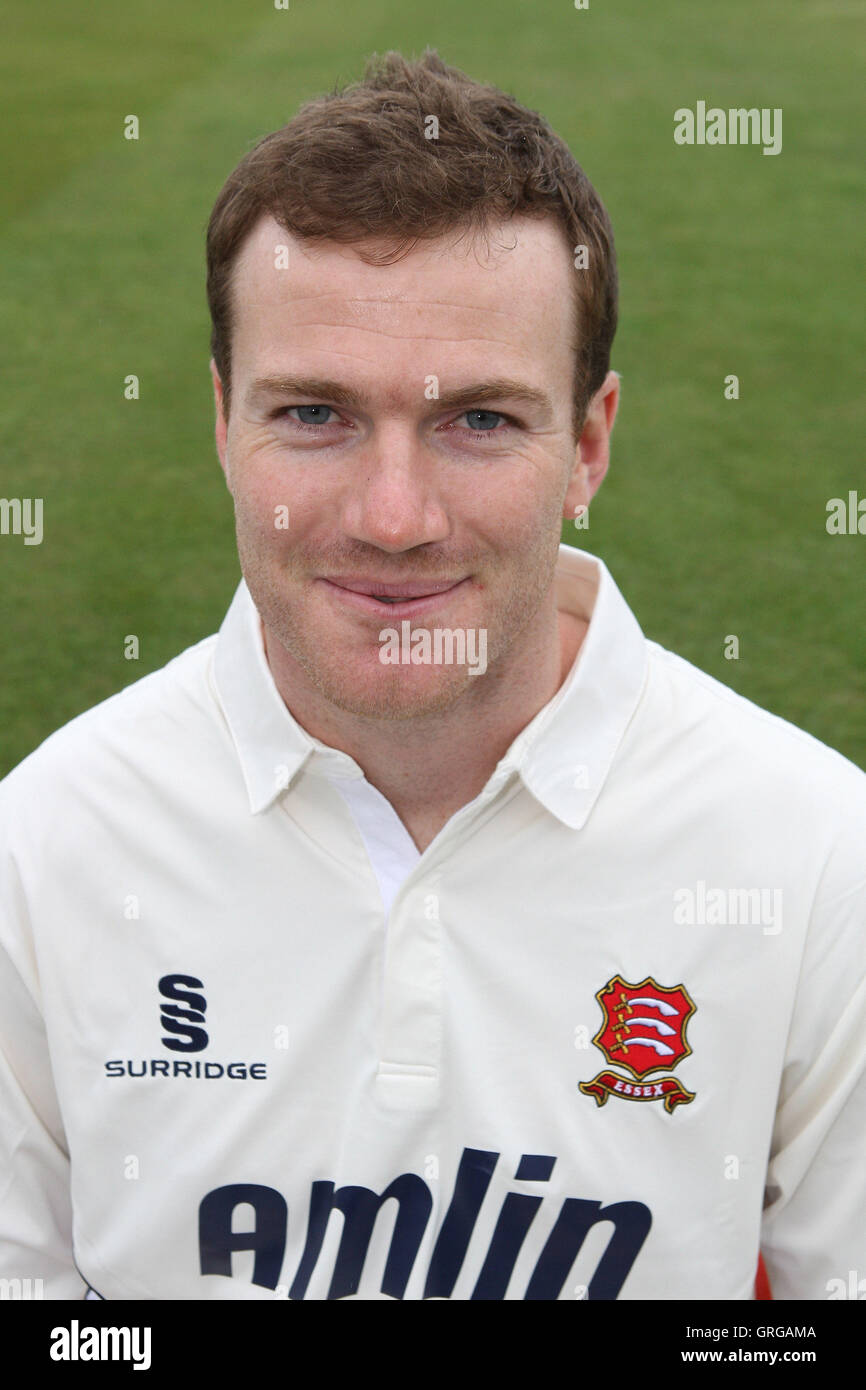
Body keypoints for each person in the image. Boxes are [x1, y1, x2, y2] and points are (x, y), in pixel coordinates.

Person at [1, 48, 864, 1303]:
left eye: (477, 420)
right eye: (313, 415)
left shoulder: (819, 856)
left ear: (587, 446)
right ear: (222, 424)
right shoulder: (42, 848)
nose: (394, 517)